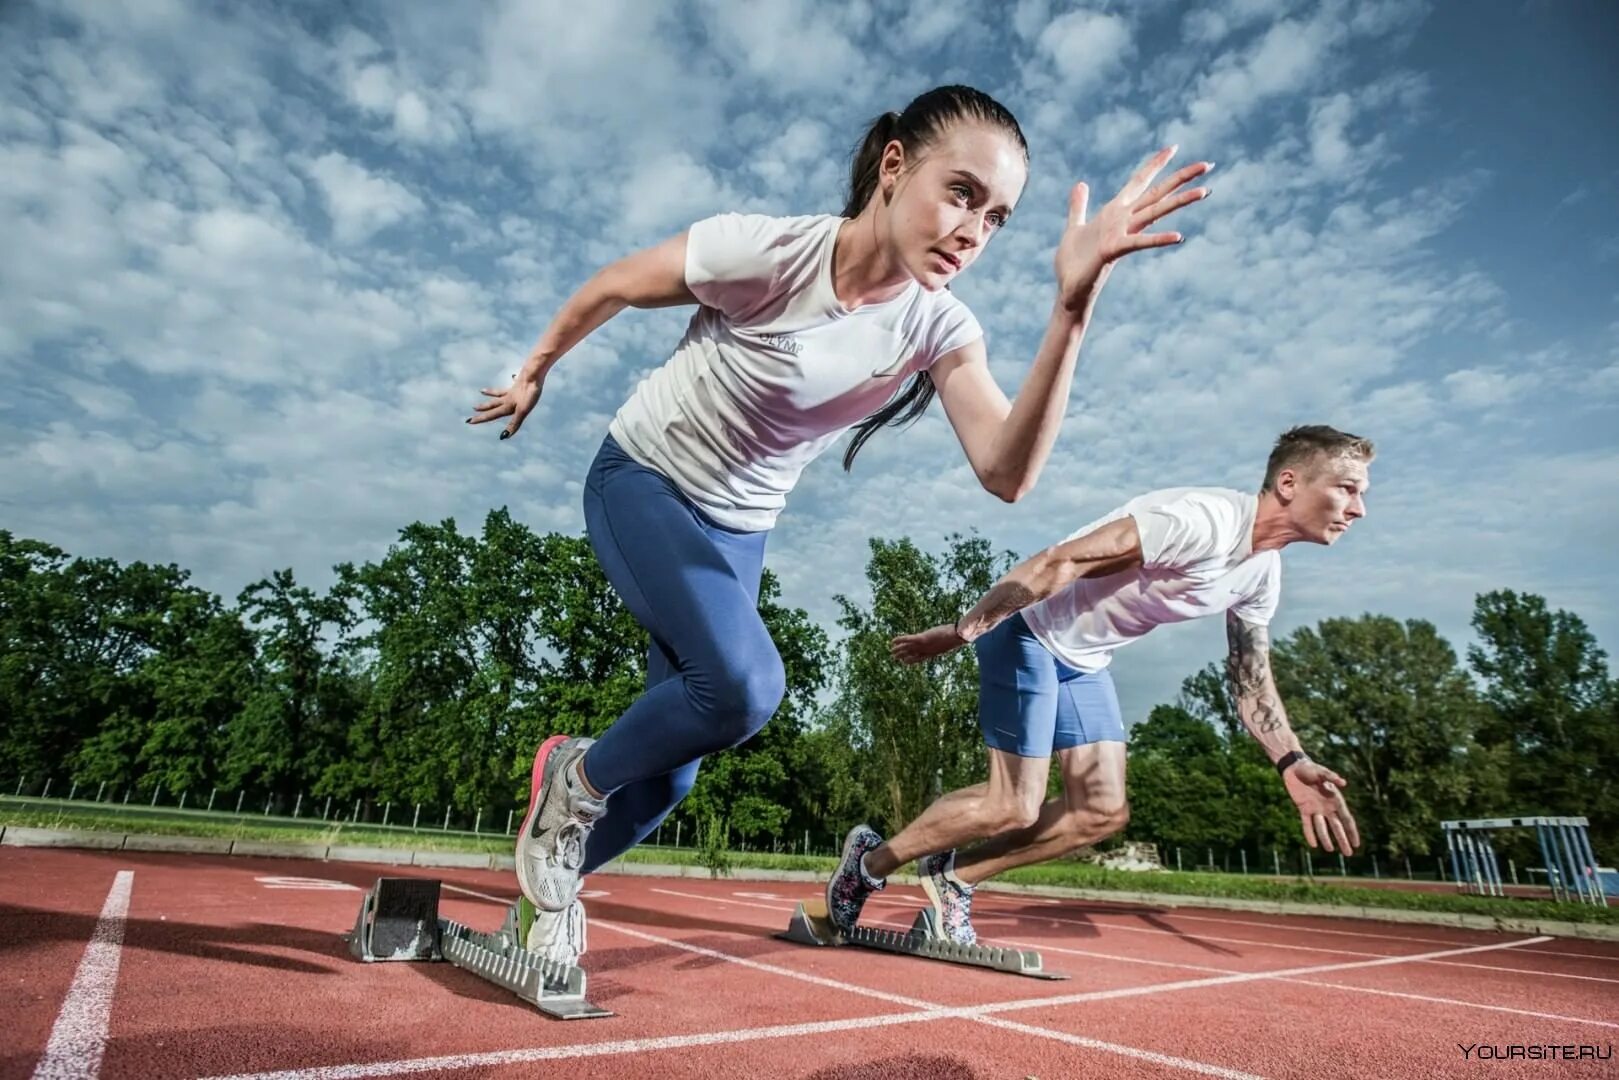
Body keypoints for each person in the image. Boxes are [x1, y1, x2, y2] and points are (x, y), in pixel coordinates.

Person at [468, 85, 1213, 964]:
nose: (974, 229)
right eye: (962, 193)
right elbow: (617, 286)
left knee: (673, 767)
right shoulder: (770, 251)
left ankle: (547, 888)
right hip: (645, 480)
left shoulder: (939, 325)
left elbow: (1006, 472)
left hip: (737, 531)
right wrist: (535, 367)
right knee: (744, 688)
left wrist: (1072, 306)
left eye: (999, 218)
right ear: (893, 166)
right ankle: (572, 774)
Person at [825, 425, 1371, 945]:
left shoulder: (1261, 572)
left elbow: (1250, 678)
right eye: (1347, 488)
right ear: (1290, 483)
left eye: (1361, 494)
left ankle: (953, 877)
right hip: (1028, 632)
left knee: (1102, 810)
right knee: (1014, 805)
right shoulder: (1201, 520)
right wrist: (964, 630)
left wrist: (1289, 759)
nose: (1358, 508)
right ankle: (869, 864)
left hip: (1085, 661)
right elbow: (1062, 561)